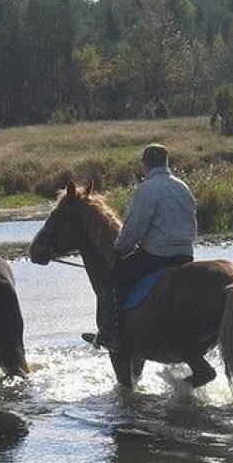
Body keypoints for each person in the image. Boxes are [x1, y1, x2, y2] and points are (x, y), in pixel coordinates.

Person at [83, 143, 197, 351]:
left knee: (111, 282)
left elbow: (135, 227)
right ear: (166, 162)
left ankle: (110, 334)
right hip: (185, 254)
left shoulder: (147, 189)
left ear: (145, 165)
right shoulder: (182, 187)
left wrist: (119, 249)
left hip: (157, 255)